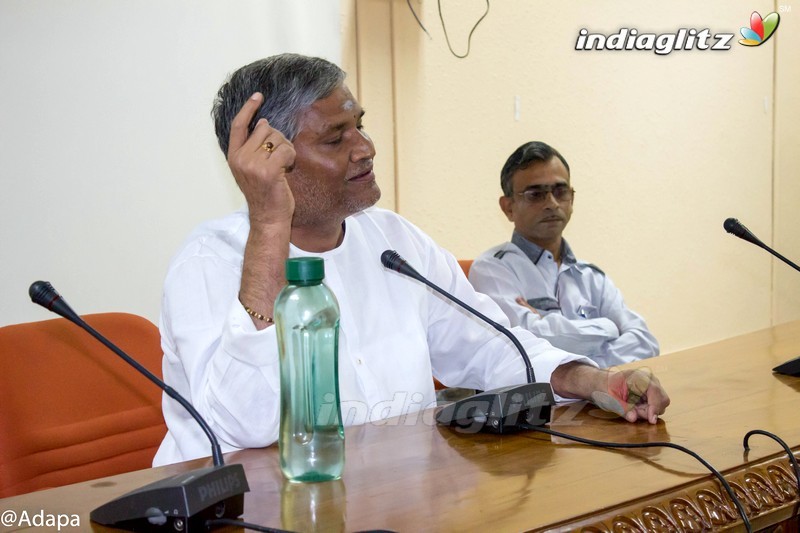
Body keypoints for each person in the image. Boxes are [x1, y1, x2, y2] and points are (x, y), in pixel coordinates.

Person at [153, 55, 669, 466]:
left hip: (389, 498)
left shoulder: (394, 241)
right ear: (268, 158)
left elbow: (489, 346)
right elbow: (248, 424)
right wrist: (269, 224)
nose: (367, 148)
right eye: (337, 137)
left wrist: (594, 381)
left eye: (360, 126)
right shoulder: (207, 264)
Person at [469, 141, 659, 368]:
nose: (551, 203)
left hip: (601, 399)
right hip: (533, 403)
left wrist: (553, 335)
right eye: (535, 194)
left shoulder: (591, 276)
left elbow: (645, 343)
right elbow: (525, 345)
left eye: (560, 191)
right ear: (508, 207)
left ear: (572, 198)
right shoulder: (492, 269)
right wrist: (609, 327)